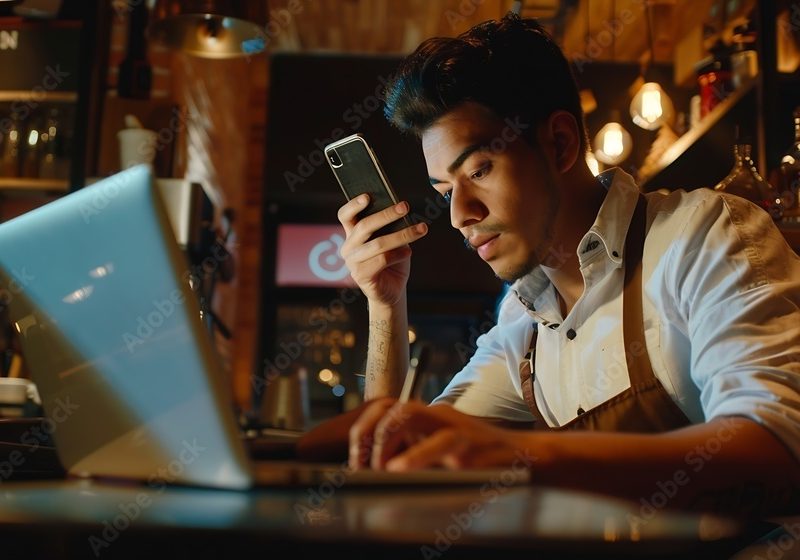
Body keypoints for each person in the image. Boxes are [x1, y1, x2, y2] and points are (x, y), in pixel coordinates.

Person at [307, 12, 800, 514]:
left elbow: (778, 450)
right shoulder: (523, 319)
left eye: (479, 169)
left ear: (560, 143)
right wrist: (386, 303)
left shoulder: (703, 236)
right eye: (445, 190)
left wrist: (524, 457)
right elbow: (403, 449)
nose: (460, 215)